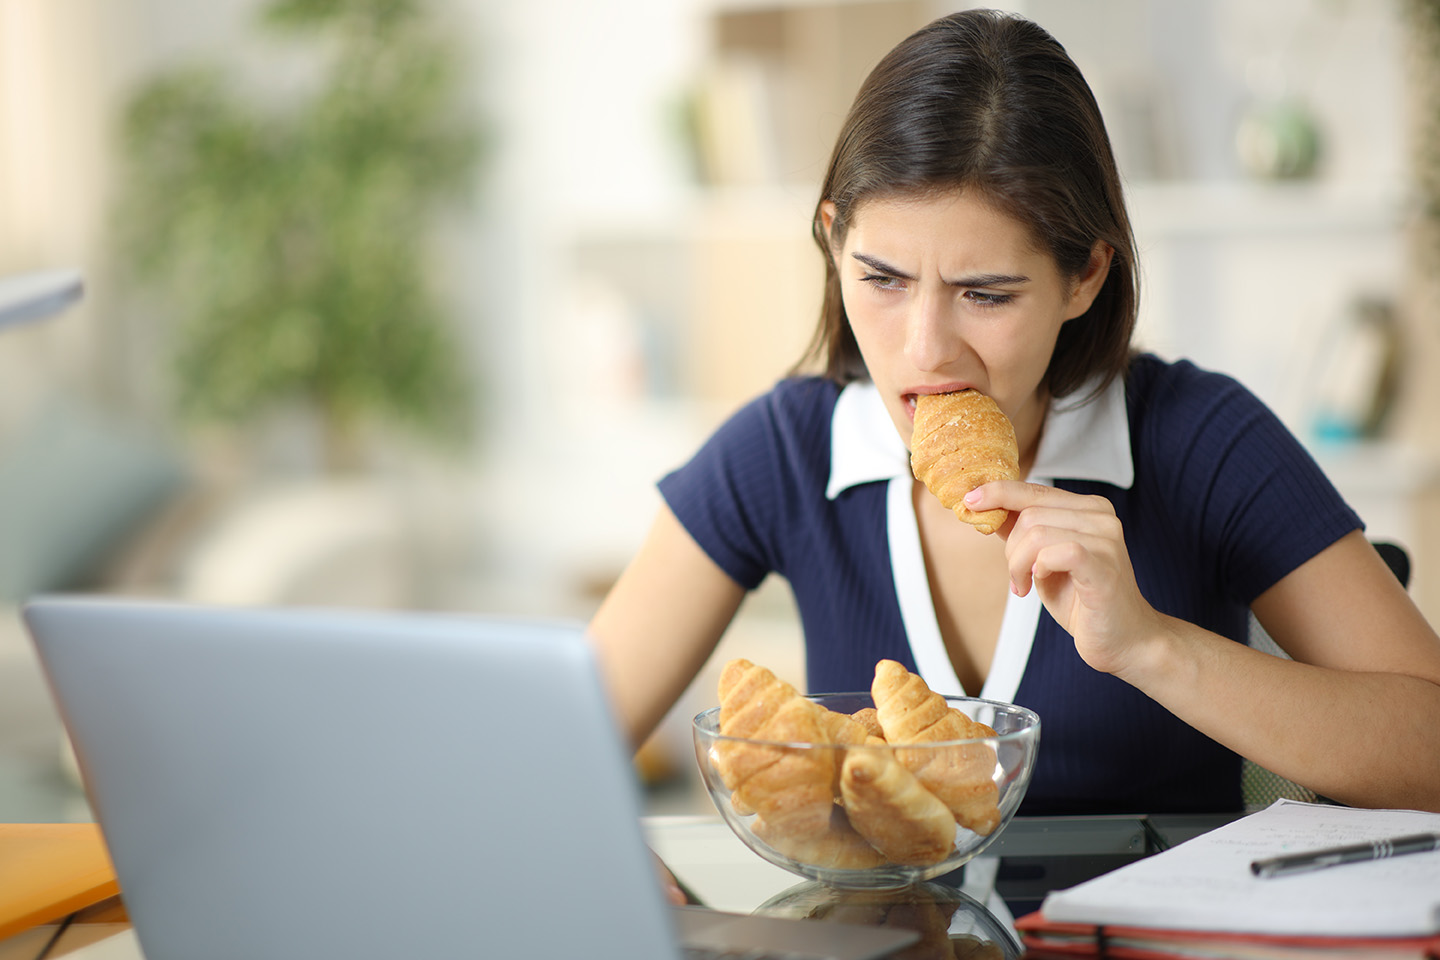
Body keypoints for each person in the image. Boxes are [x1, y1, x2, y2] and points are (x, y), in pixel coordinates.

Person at [588, 8, 1440, 833]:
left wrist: (1153, 648)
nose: (926, 350)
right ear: (832, 239)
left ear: (1086, 277)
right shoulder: (783, 451)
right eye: (881, 279)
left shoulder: (1200, 437)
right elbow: (564, 747)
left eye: (985, 294)